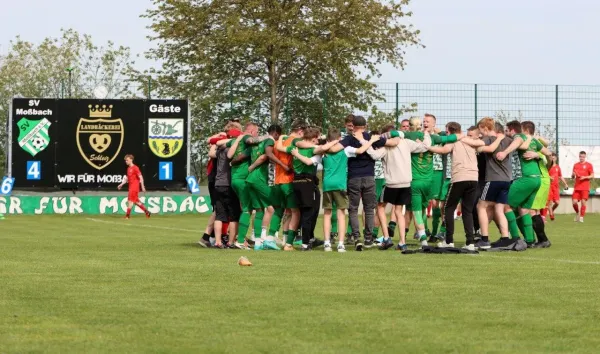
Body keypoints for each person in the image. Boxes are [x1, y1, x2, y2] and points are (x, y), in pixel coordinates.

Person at [323, 116, 388, 250]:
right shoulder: (371, 137)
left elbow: (334, 149)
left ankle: (356, 237)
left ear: (353, 125)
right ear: (366, 125)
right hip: (370, 177)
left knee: (353, 209)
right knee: (369, 209)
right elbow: (389, 142)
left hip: (353, 178)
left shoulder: (348, 139)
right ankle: (369, 239)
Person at [367, 129, 432, 250]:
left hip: (392, 183)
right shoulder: (406, 142)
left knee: (380, 207)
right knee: (398, 211)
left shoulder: (386, 147)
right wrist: (426, 134)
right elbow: (425, 146)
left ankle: (386, 238)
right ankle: (402, 242)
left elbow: (374, 155)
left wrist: (368, 144)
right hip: (406, 183)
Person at [315, 128, 377, 252]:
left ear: (328, 139)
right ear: (340, 139)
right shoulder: (345, 149)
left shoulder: (323, 152)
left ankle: (327, 243)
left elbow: (314, 159)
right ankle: (341, 244)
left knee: (327, 213)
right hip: (340, 185)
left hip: (327, 185)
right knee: (341, 214)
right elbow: (360, 150)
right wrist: (371, 141)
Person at [278, 127, 338, 250]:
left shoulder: (293, 148)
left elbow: (279, 148)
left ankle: (299, 240)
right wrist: (336, 141)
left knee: (299, 212)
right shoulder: (313, 149)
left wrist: (280, 138)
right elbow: (322, 150)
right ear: (314, 139)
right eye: (317, 138)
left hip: (295, 182)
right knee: (308, 213)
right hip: (307, 182)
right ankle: (305, 242)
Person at [496, 121, 552, 246]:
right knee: (524, 209)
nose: (506, 132)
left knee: (506, 206)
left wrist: (504, 152)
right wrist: (539, 155)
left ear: (513, 130)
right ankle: (530, 241)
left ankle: (515, 239)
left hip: (525, 178)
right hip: (537, 179)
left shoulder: (519, 136)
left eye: (507, 130)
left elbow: (518, 144)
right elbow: (549, 153)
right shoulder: (533, 140)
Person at [429, 123, 484, 250]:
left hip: (460, 178)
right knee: (467, 210)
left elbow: (443, 150)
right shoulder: (471, 141)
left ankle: (449, 241)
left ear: (449, 132)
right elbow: (481, 144)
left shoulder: (454, 141)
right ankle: (470, 242)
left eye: (447, 132)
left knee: (448, 208)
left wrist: (428, 147)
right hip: (473, 178)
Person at [475, 119, 511, 249]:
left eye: (480, 129)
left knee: (481, 206)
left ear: (485, 128)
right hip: (507, 180)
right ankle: (505, 238)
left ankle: (484, 239)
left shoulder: (488, 139)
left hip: (494, 179)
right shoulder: (507, 140)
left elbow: (486, 148)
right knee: (498, 208)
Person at [272, 121, 305, 251]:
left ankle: (275, 238)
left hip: (277, 180)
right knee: (296, 212)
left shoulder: (279, 141)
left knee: (284, 211)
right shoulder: (294, 140)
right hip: (288, 180)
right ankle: (289, 242)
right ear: (300, 131)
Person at [208, 129, 241, 249]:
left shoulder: (220, 149)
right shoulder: (234, 149)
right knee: (233, 216)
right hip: (229, 184)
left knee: (219, 215)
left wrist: (213, 143)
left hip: (218, 184)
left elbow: (211, 153)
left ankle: (217, 242)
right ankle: (231, 242)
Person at [117, 154, 151, 219]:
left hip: (134, 188)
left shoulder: (135, 168)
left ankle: (127, 216)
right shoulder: (128, 168)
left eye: (127, 160)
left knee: (130, 201)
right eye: (125, 160)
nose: (126, 161)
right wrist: (121, 184)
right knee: (136, 201)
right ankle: (147, 212)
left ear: (131, 160)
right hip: (131, 187)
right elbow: (127, 179)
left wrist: (143, 186)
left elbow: (141, 177)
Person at [572, 151, 594, 223]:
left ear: (585, 157)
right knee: (574, 202)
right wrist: (573, 175)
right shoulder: (575, 165)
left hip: (585, 187)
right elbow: (573, 176)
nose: (581, 158)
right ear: (579, 156)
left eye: (583, 157)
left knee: (583, 202)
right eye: (580, 156)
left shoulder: (589, 165)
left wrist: (584, 177)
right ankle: (577, 213)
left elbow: (592, 175)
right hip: (577, 187)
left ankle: (581, 217)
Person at [547, 152, 568, 221]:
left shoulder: (558, 167)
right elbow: (544, 175)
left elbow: (560, 176)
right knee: (549, 202)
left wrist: (565, 183)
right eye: (551, 157)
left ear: (556, 158)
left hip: (556, 187)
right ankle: (551, 215)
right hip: (549, 186)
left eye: (554, 157)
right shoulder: (547, 166)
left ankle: (551, 211)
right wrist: (549, 177)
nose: (553, 159)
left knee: (557, 202)